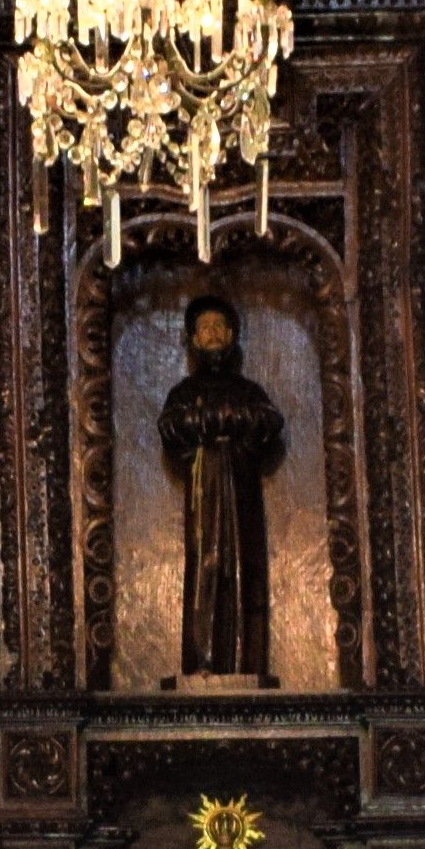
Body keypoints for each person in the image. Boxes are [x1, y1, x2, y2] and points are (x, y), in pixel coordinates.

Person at [160, 288, 284, 680]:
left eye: (218, 327)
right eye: (204, 328)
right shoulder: (185, 393)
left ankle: (249, 663)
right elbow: (173, 426)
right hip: (205, 488)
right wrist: (222, 423)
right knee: (207, 569)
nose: (212, 334)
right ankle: (202, 663)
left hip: (241, 489)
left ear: (230, 336)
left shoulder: (248, 391)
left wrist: (220, 422)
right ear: (194, 339)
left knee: (245, 571)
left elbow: (267, 422)